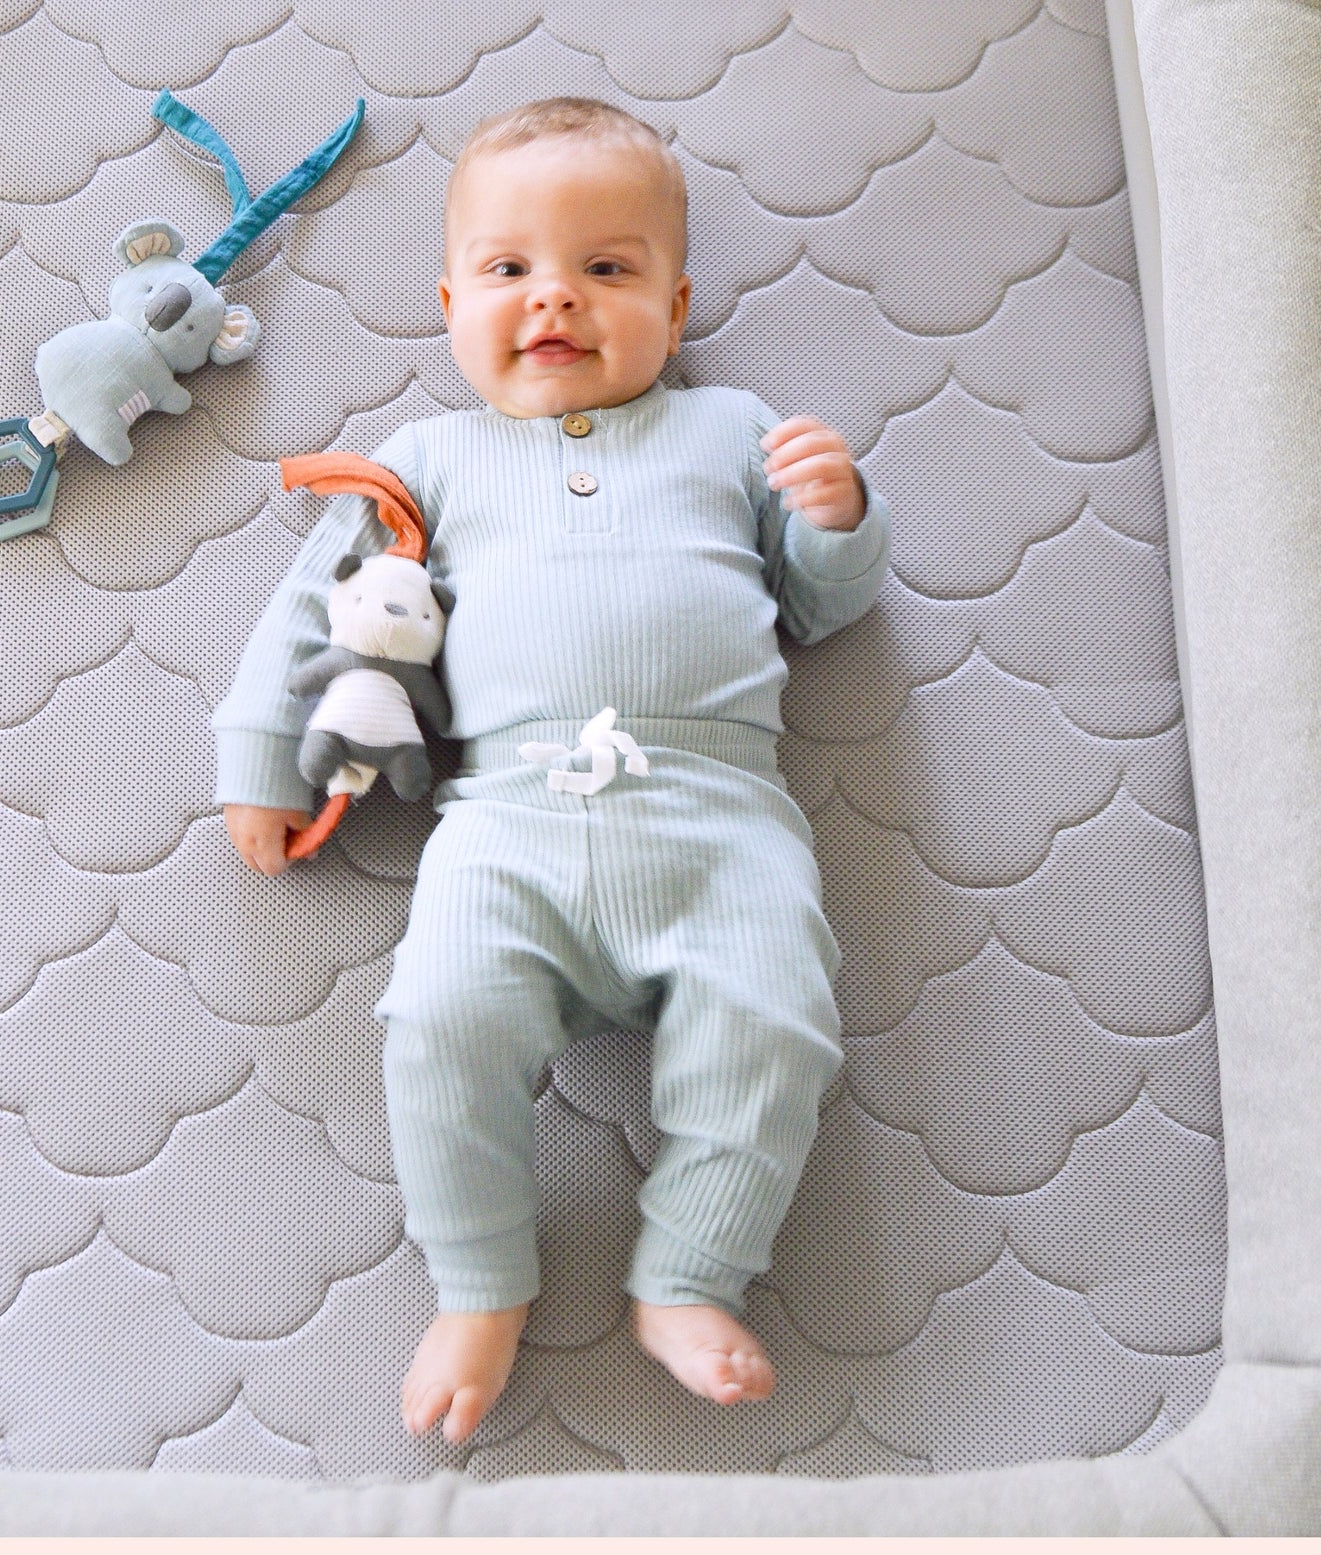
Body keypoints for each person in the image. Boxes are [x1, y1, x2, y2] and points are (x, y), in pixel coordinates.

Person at [214, 99, 889, 1444]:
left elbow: (814, 612)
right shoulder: (425, 462)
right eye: (510, 271)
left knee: (778, 1026)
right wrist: (258, 754)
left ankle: (690, 1272)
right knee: (438, 1021)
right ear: (451, 299)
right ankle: (478, 1281)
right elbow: (313, 607)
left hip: (717, 814)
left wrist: (835, 522)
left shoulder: (726, 432)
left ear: (675, 305)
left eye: (607, 269)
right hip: (505, 815)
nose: (556, 301)